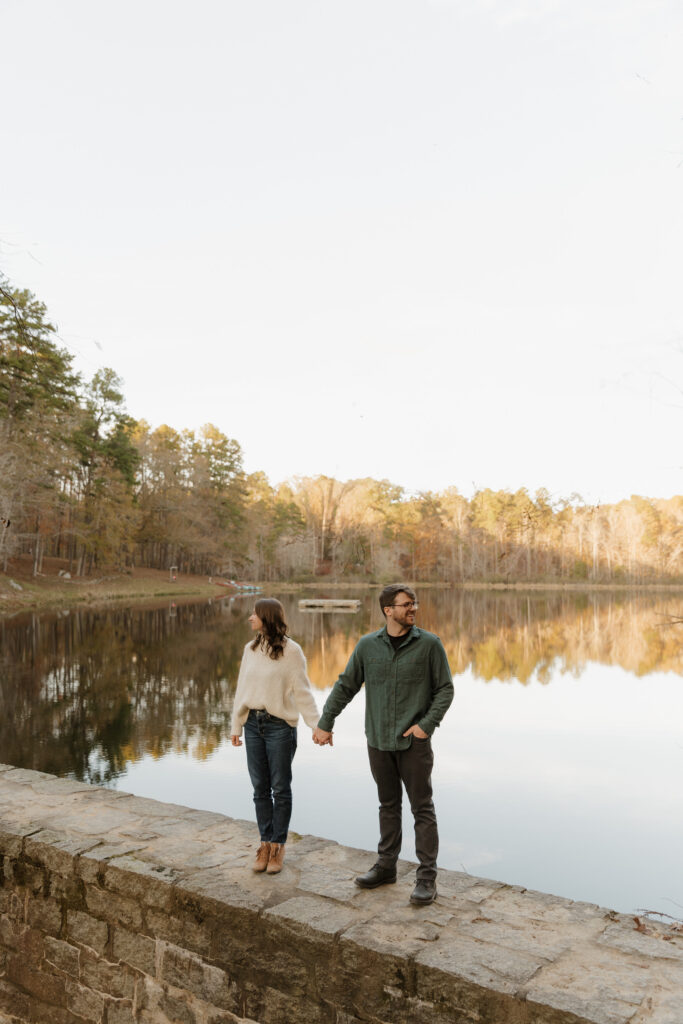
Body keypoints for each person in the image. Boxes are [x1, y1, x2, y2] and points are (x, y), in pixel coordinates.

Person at [313, 584, 453, 905]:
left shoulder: (429, 645)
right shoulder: (367, 646)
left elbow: (445, 689)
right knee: (387, 805)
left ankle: (426, 878)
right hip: (377, 740)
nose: (413, 608)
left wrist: (425, 726)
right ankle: (386, 866)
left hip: (414, 744)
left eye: (414, 603)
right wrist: (326, 722)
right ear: (388, 610)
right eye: (406, 604)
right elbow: (346, 685)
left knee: (422, 808)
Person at [231, 598, 320, 875]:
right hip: (252, 726)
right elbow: (241, 689)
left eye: (254, 614)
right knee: (260, 788)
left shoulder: (292, 652)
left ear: (267, 618)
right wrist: (236, 726)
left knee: (280, 789)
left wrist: (316, 725)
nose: (250, 618)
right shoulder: (250, 649)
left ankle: (278, 846)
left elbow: (303, 692)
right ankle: (265, 844)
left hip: (279, 727)